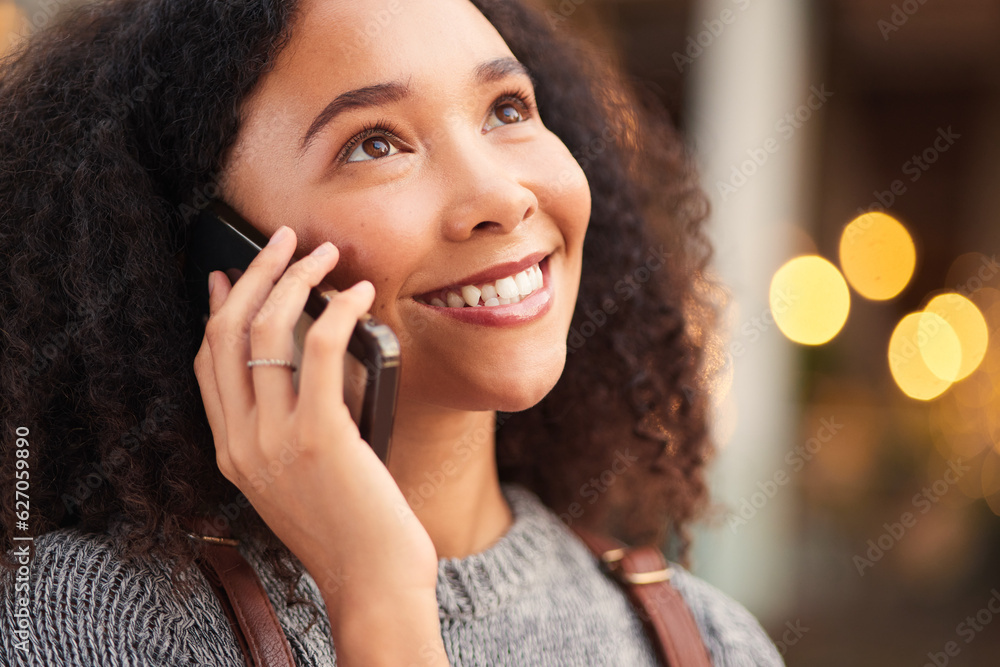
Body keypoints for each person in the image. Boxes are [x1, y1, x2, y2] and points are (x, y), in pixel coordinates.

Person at [0, 0, 783, 664]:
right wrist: (375, 593)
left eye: (507, 109)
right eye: (375, 143)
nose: (501, 197)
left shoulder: (705, 640)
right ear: (217, 253)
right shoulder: (91, 620)